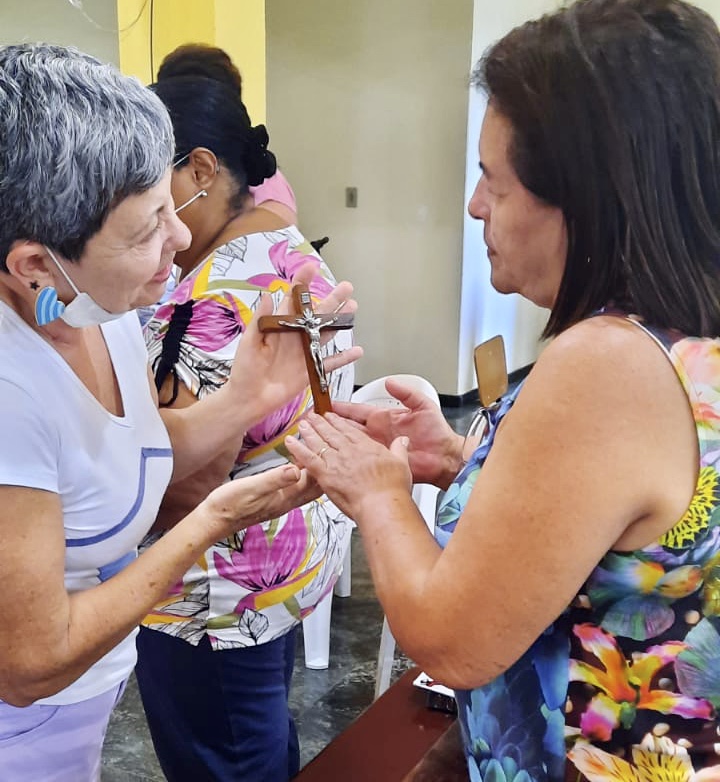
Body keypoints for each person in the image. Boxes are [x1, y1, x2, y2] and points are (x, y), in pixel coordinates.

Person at [285, 0, 720, 779]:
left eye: (494, 180)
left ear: (583, 196)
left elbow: (453, 641)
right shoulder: (683, 336)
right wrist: (459, 461)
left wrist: (377, 493)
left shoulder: (606, 364)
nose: (474, 205)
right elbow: (625, 532)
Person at [0, 43, 359, 782]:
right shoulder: (11, 388)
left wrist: (247, 400)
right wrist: (208, 522)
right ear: (37, 263)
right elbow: (30, 663)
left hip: (84, 713)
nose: (179, 242)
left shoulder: (103, 306)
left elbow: (133, 440)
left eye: (170, 206)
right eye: (143, 233)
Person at [134, 74, 355, 782]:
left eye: (144, 182)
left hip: (208, 599)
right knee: (258, 740)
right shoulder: (287, 250)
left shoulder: (211, 297)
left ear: (199, 169)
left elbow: (186, 485)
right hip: (279, 567)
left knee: (222, 755)